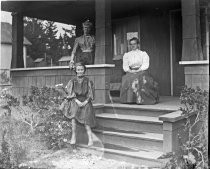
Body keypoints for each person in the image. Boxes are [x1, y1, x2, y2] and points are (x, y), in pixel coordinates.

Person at [64, 62, 96, 147]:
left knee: (86, 119)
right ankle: (73, 137)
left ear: (84, 70)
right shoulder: (72, 81)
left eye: (82, 69)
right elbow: (71, 93)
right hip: (76, 100)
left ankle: (90, 139)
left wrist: (85, 102)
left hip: (86, 101)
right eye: (78, 70)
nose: (80, 71)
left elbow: (90, 94)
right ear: (76, 71)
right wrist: (77, 101)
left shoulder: (88, 81)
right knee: (74, 118)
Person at [120, 37, 159, 105]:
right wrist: (129, 70)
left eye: (134, 44)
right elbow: (125, 66)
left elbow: (145, 64)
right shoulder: (127, 55)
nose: (133, 46)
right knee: (127, 78)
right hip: (131, 71)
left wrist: (139, 70)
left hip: (142, 70)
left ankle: (141, 100)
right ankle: (130, 100)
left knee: (139, 77)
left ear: (138, 44)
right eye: (131, 44)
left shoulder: (143, 54)